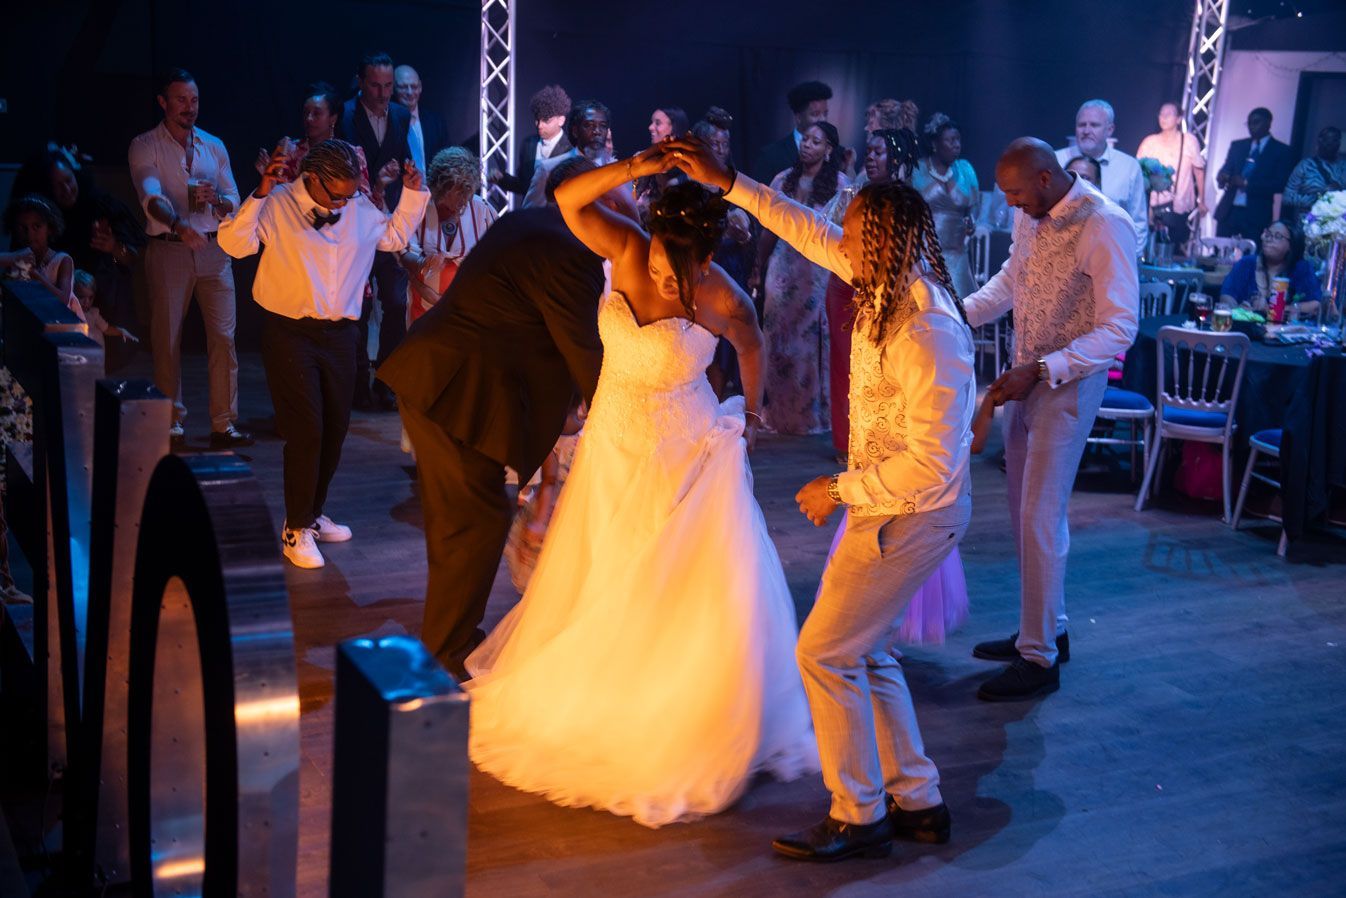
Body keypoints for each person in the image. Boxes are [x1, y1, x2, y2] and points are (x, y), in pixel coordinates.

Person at [464, 144, 816, 830]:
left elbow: (752, 347)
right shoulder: (626, 246)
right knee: (602, 566)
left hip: (679, 450)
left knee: (661, 577)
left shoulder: (724, 297)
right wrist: (634, 167)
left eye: (671, 269)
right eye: (654, 260)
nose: (657, 273)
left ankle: (665, 703)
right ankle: (594, 686)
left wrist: (748, 414)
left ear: (704, 262)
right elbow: (567, 200)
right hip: (612, 440)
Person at [667, 131, 976, 862]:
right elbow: (802, 226)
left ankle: (858, 812)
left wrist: (838, 487)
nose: (845, 237)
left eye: (859, 230)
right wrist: (729, 181)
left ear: (891, 240)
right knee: (866, 653)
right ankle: (918, 800)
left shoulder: (928, 327)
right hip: (886, 504)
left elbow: (935, 465)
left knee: (824, 654)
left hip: (911, 515)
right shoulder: (879, 278)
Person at [376, 158, 608, 678]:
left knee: (466, 524)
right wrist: (614, 412)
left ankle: (452, 643)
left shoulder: (529, 223)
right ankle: (448, 652)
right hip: (455, 389)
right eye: (614, 199)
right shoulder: (568, 249)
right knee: (471, 524)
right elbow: (584, 353)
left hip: (452, 384)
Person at [963, 138, 1138, 701]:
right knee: (1024, 516)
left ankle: (1038, 660)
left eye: (1015, 193)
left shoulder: (1105, 223)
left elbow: (1120, 328)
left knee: (1041, 516)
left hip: (1068, 386)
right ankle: (1044, 631)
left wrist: (1043, 369)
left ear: (1044, 178)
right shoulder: (1031, 214)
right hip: (1026, 378)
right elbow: (1012, 281)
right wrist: (955, 313)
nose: (1010, 204)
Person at [219, 140, 429, 569]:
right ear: (311, 178)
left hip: (341, 336)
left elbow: (392, 237)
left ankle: (312, 515)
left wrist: (411, 194)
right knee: (306, 431)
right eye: (336, 195)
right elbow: (234, 244)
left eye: (349, 195)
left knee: (335, 429)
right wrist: (259, 193)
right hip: (290, 333)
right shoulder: (278, 203)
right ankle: (295, 528)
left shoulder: (358, 209)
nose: (342, 203)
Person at [128, 67, 249, 449]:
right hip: (170, 249)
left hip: (214, 248)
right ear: (163, 102)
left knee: (224, 337)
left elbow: (234, 200)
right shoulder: (145, 145)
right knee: (167, 339)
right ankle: (171, 423)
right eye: (180, 99)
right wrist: (180, 225)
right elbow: (151, 197)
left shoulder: (214, 145)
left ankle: (223, 424)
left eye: (194, 100)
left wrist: (218, 200)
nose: (189, 107)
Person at [822, 128, 917, 456]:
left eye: (879, 153)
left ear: (896, 158)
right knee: (843, 362)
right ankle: (844, 442)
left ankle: (879, 439)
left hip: (885, 291)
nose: (871, 158)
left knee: (878, 368)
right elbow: (827, 227)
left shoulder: (908, 200)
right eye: (870, 152)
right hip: (844, 284)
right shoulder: (854, 191)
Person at [756, 120, 848, 434]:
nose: (807, 145)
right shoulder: (783, 180)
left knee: (810, 344)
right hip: (783, 270)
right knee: (779, 340)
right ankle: (780, 414)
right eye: (805, 139)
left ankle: (811, 417)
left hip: (817, 272)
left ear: (829, 149)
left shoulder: (840, 184)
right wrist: (758, 266)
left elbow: (845, 233)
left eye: (816, 141)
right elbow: (768, 229)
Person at [14, 147, 145, 356]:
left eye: (68, 180)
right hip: (58, 314)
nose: (66, 189)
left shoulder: (101, 206)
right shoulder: (41, 220)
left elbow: (133, 258)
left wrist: (113, 246)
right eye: (57, 186)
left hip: (102, 304)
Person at [341, 52, 413, 412]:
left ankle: (386, 381)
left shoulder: (400, 114)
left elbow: (405, 161)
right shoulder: (345, 114)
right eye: (375, 85)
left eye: (388, 86)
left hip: (387, 223)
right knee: (358, 306)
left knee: (397, 302)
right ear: (361, 82)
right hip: (354, 226)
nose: (383, 93)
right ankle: (357, 384)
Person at [400, 147, 497, 324]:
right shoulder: (418, 208)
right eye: (447, 206)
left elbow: (498, 259)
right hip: (424, 312)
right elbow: (403, 254)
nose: (456, 211)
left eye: (462, 202)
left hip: (470, 313)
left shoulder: (482, 210)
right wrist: (422, 263)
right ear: (438, 188)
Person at [253, 83, 380, 203]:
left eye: (316, 114)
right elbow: (277, 198)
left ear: (333, 118)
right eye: (306, 112)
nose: (309, 118)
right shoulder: (289, 150)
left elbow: (364, 202)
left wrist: (380, 186)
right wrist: (267, 177)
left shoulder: (352, 155)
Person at [1053, 99, 1148, 253]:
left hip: (1112, 258)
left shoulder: (1128, 167)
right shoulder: (1056, 161)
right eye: (1081, 125)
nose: (1086, 131)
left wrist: (1127, 260)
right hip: (1060, 257)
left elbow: (1138, 223)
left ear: (1109, 130)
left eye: (1094, 125)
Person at [913, 114, 980, 299]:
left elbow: (974, 205)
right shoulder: (917, 169)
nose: (956, 145)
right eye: (950, 140)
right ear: (935, 144)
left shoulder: (965, 168)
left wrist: (971, 220)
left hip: (957, 254)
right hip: (925, 255)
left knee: (960, 305)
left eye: (958, 139)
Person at [1214, 107, 1294, 240]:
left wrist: (1247, 183)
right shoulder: (1238, 146)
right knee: (1220, 249)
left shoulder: (1281, 150)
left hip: (1256, 213)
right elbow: (1226, 169)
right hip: (1229, 211)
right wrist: (1223, 176)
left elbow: (1280, 184)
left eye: (1256, 122)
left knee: (1251, 251)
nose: (1251, 127)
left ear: (1268, 123)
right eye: (1249, 123)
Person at [1135, 102, 1208, 247]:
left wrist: (1202, 200)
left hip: (1178, 203)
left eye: (1169, 114)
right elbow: (1138, 172)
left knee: (1174, 245)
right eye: (1161, 114)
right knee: (1150, 246)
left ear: (1179, 119)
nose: (1164, 117)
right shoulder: (1149, 142)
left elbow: (1198, 171)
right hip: (1152, 204)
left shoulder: (1188, 141)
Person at [1218, 219, 1321, 318]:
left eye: (1277, 236)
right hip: (1247, 327)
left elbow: (1315, 304)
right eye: (1268, 234)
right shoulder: (1246, 263)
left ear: (1291, 245)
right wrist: (1239, 312)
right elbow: (1226, 295)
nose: (1268, 239)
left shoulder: (1302, 268)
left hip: (1286, 328)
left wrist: (1273, 310)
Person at [522, 100, 616, 208]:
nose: (597, 131)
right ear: (575, 131)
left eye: (603, 126)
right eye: (589, 125)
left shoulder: (615, 170)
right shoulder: (548, 169)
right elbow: (530, 214)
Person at [489, 84, 572, 197]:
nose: (539, 125)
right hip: (531, 208)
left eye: (546, 120)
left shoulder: (571, 150)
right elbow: (524, 186)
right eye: (537, 120)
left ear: (561, 120)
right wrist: (501, 179)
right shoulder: (528, 145)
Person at [1, 194, 76, 312]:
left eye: (36, 227)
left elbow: (63, 300)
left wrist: (35, 274)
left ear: (50, 228)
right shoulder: (15, 260)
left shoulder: (62, 260)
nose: (29, 234)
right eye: (23, 227)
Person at [753, 80, 832, 184]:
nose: (823, 119)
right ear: (798, 117)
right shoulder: (770, 156)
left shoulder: (838, 153)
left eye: (825, 114)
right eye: (815, 114)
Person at [394, 64, 449, 176]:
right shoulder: (386, 124)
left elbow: (447, 162)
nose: (410, 92)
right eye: (403, 87)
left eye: (414, 87)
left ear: (420, 87)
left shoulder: (435, 123)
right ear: (393, 88)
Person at [1283, 126, 1345, 224]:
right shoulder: (1305, 166)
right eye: (1327, 140)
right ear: (1320, 141)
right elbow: (1287, 197)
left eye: (1335, 140)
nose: (1331, 144)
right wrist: (1317, 197)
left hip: (1338, 224)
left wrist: (1340, 191)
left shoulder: (1343, 167)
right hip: (1308, 222)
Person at [72, 270, 139, 346]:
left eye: (90, 298)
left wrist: (121, 331)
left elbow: (106, 329)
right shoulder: (69, 314)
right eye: (81, 297)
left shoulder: (93, 314)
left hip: (94, 350)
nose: (86, 302)